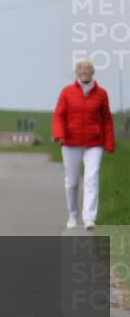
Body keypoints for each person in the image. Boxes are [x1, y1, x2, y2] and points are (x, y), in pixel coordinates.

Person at [52, 59, 116, 230]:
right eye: (80, 68)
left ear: (93, 72)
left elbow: (107, 121)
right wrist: (59, 134)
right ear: (76, 72)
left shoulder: (101, 94)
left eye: (87, 68)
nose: (84, 71)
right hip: (70, 142)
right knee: (72, 182)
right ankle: (73, 216)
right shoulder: (67, 92)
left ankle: (89, 218)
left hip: (94, 143)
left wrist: (109, 143)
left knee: (91, 178)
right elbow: (58, 115)